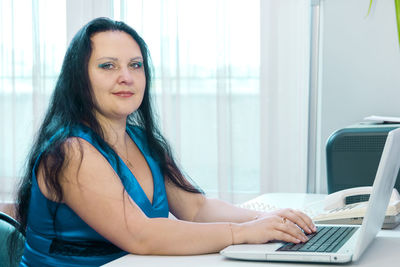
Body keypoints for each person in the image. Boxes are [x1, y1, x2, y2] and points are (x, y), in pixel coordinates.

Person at [10, 17, 316, 266]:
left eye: (135, 65)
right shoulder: (71, 151)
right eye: (108, 66)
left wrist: (267, 219)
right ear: (79, 79)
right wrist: (244, 233)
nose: (126, 77)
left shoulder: (142, 140)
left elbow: (196, 209)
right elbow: (140, 235)